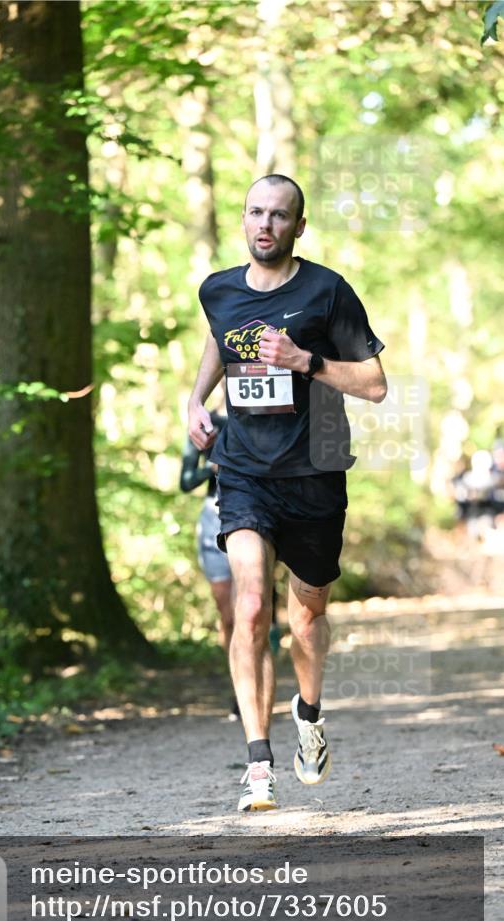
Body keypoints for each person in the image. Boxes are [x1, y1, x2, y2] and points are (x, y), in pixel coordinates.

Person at [187, 173, 387, 812]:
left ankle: (309, 713)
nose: (264, 224)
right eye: (255, 212)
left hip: (316, 474)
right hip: (243, 471)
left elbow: (376, 383)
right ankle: (257, 766)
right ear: (243, 221)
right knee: (249, 606)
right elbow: (220, 345)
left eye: (279, 215)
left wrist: (306, 362)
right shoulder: (217, 290)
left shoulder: (327, 291)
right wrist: (195, 400)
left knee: (306, 616)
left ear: (299, 226)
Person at [180, 412, 284, 721]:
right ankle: (239, 686)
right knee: (228, 616)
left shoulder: (266, 413)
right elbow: (185, 481)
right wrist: (211, 469)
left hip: (256, 513)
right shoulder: (206, 421)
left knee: (253, 608)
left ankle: (259, 686)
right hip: (214, 517)